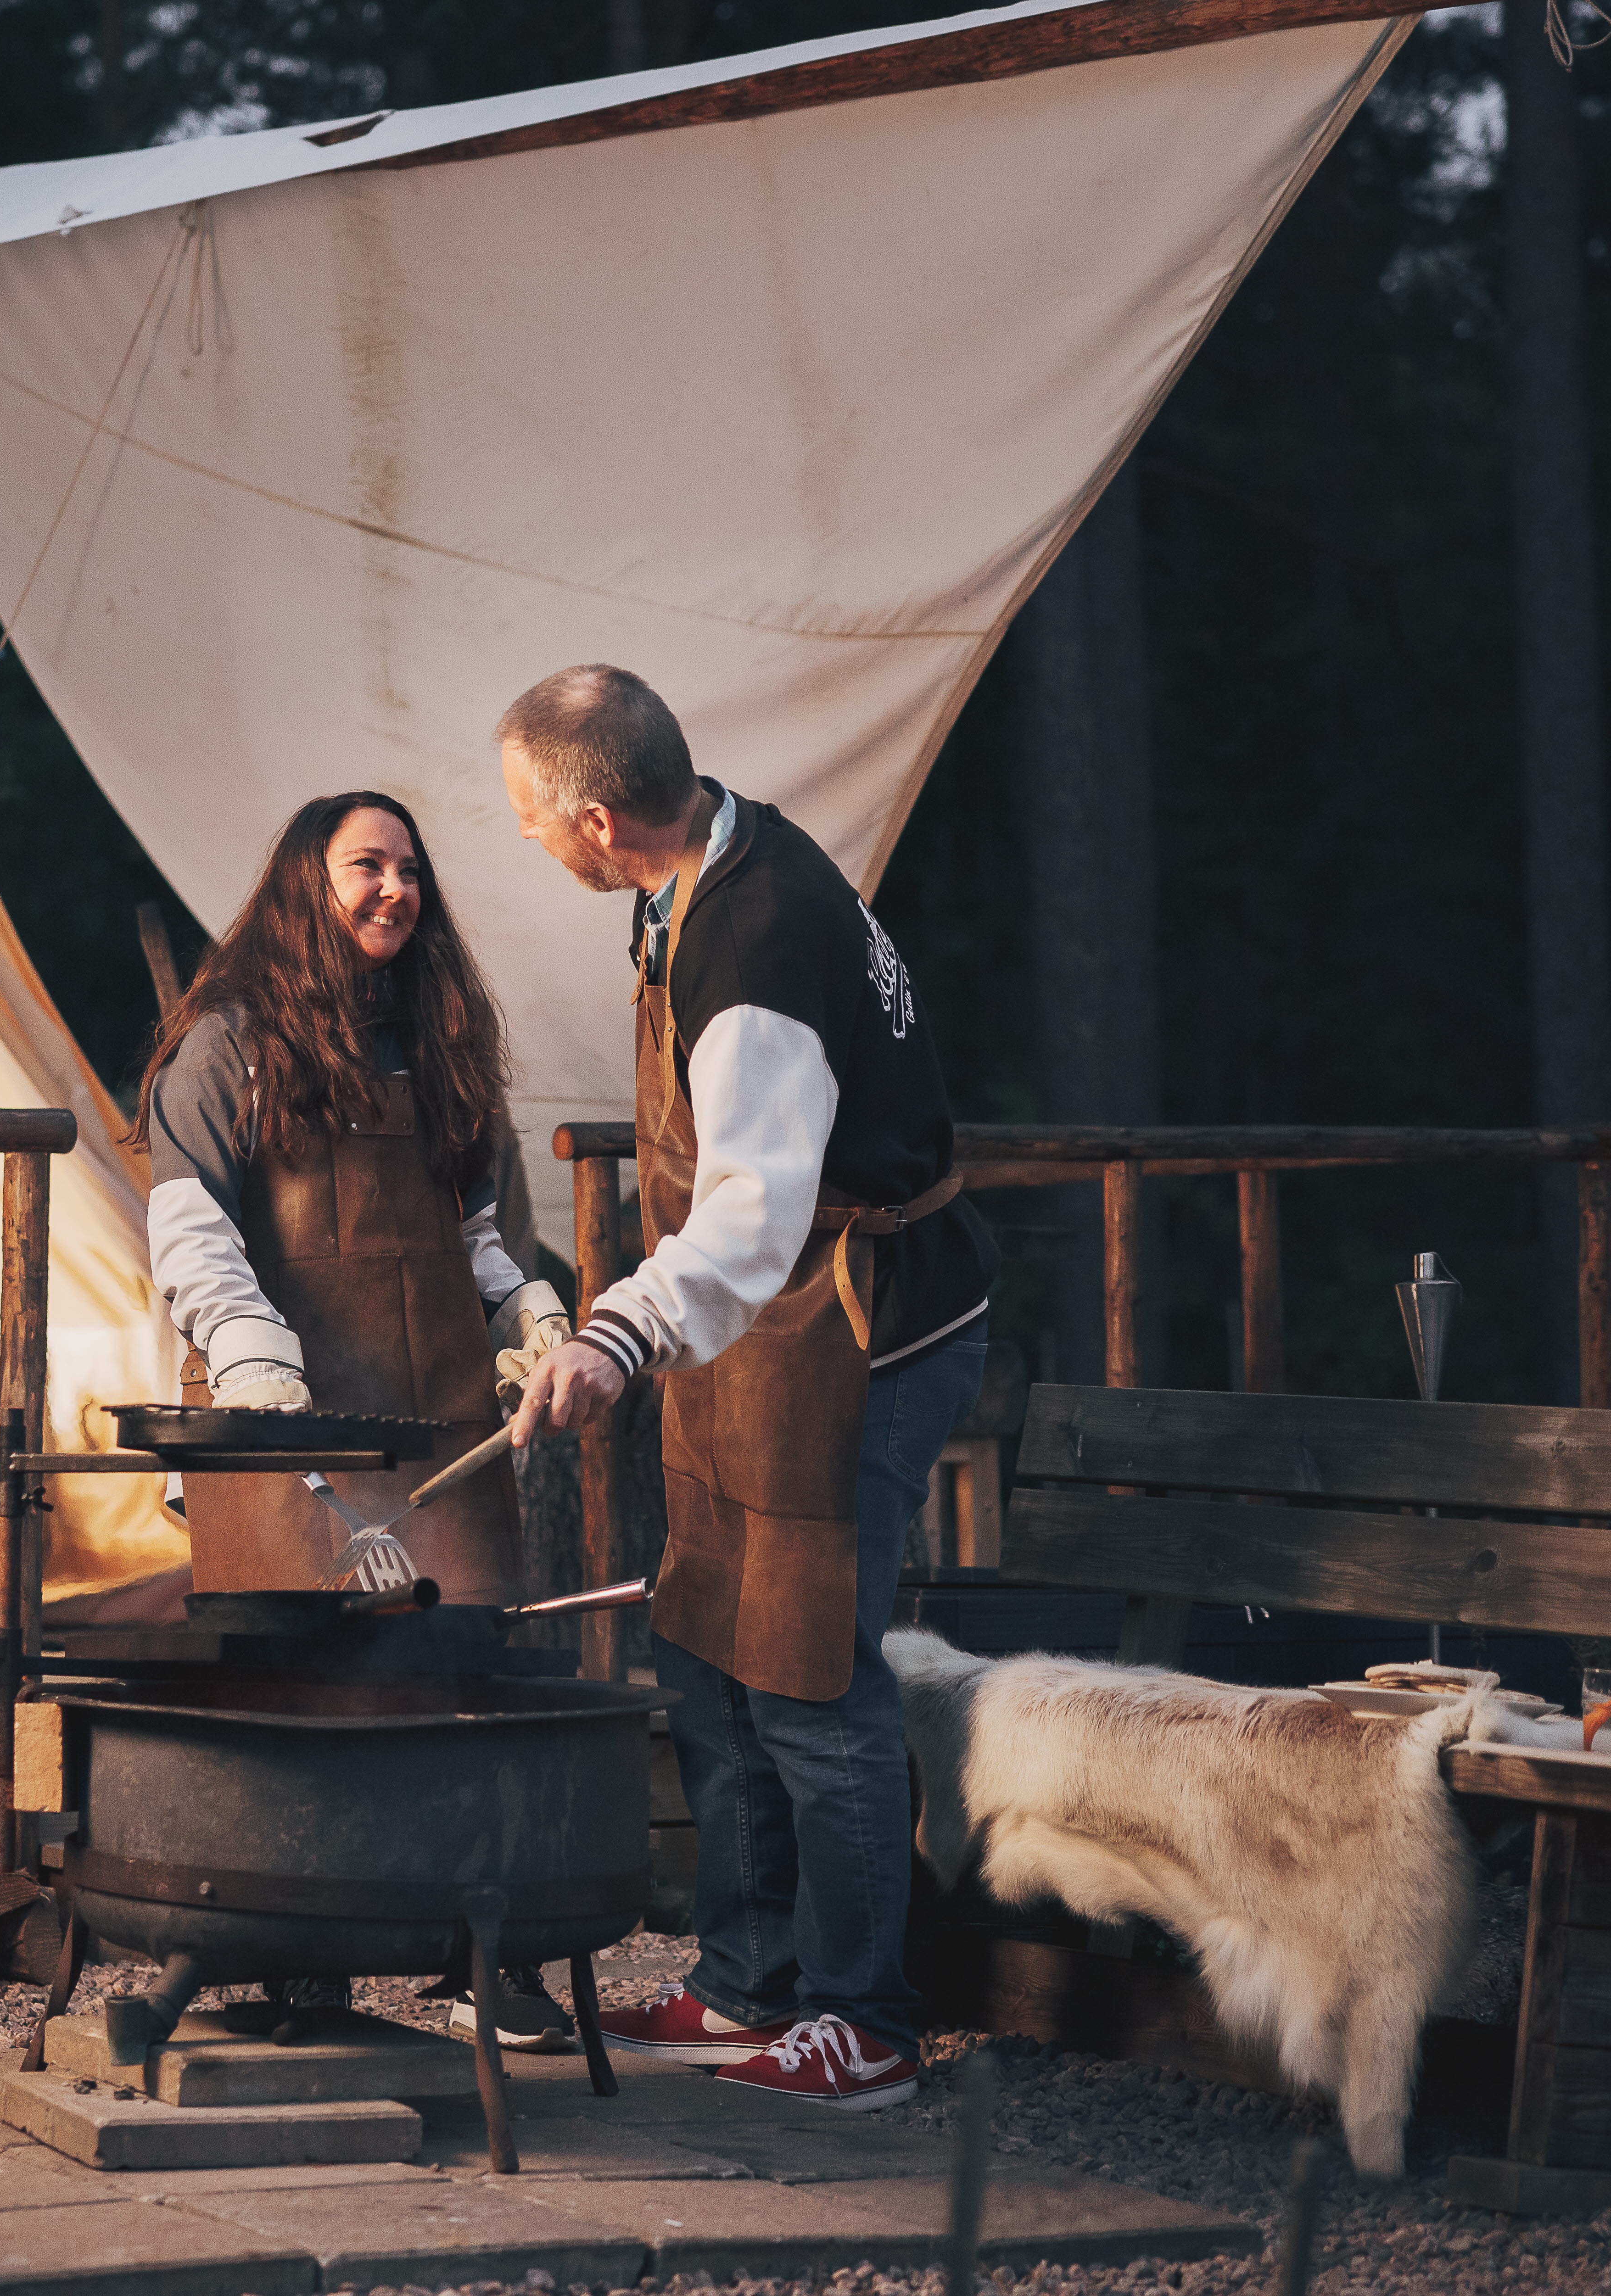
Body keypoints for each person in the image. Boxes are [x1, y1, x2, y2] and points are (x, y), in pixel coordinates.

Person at [498, 665, 995, 2111]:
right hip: (748, 1332)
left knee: (809, 1669)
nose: (526, 840)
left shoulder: (759, 940)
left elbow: (751, 1216)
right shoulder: (697, 865)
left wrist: (614, 1334)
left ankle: (866, 2021)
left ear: (597, 822)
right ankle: (747, 1980)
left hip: (847, 1321)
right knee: (708, 1647)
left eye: (532, 819)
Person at [135, 790, 582, 2045]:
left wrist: (532, 1320)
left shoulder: (440, 1044)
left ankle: (478, 1957)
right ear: (302, 885)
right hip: (291, 1427)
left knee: (463, 1687)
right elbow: (190, 1227)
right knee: (307, 1695)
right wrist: (251, 1369)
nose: (393, 888)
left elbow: (484, 1233)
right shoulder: (226, 1043)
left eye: (408, 869)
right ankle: (303, 1958)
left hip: (441, 1425)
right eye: (363, 866)